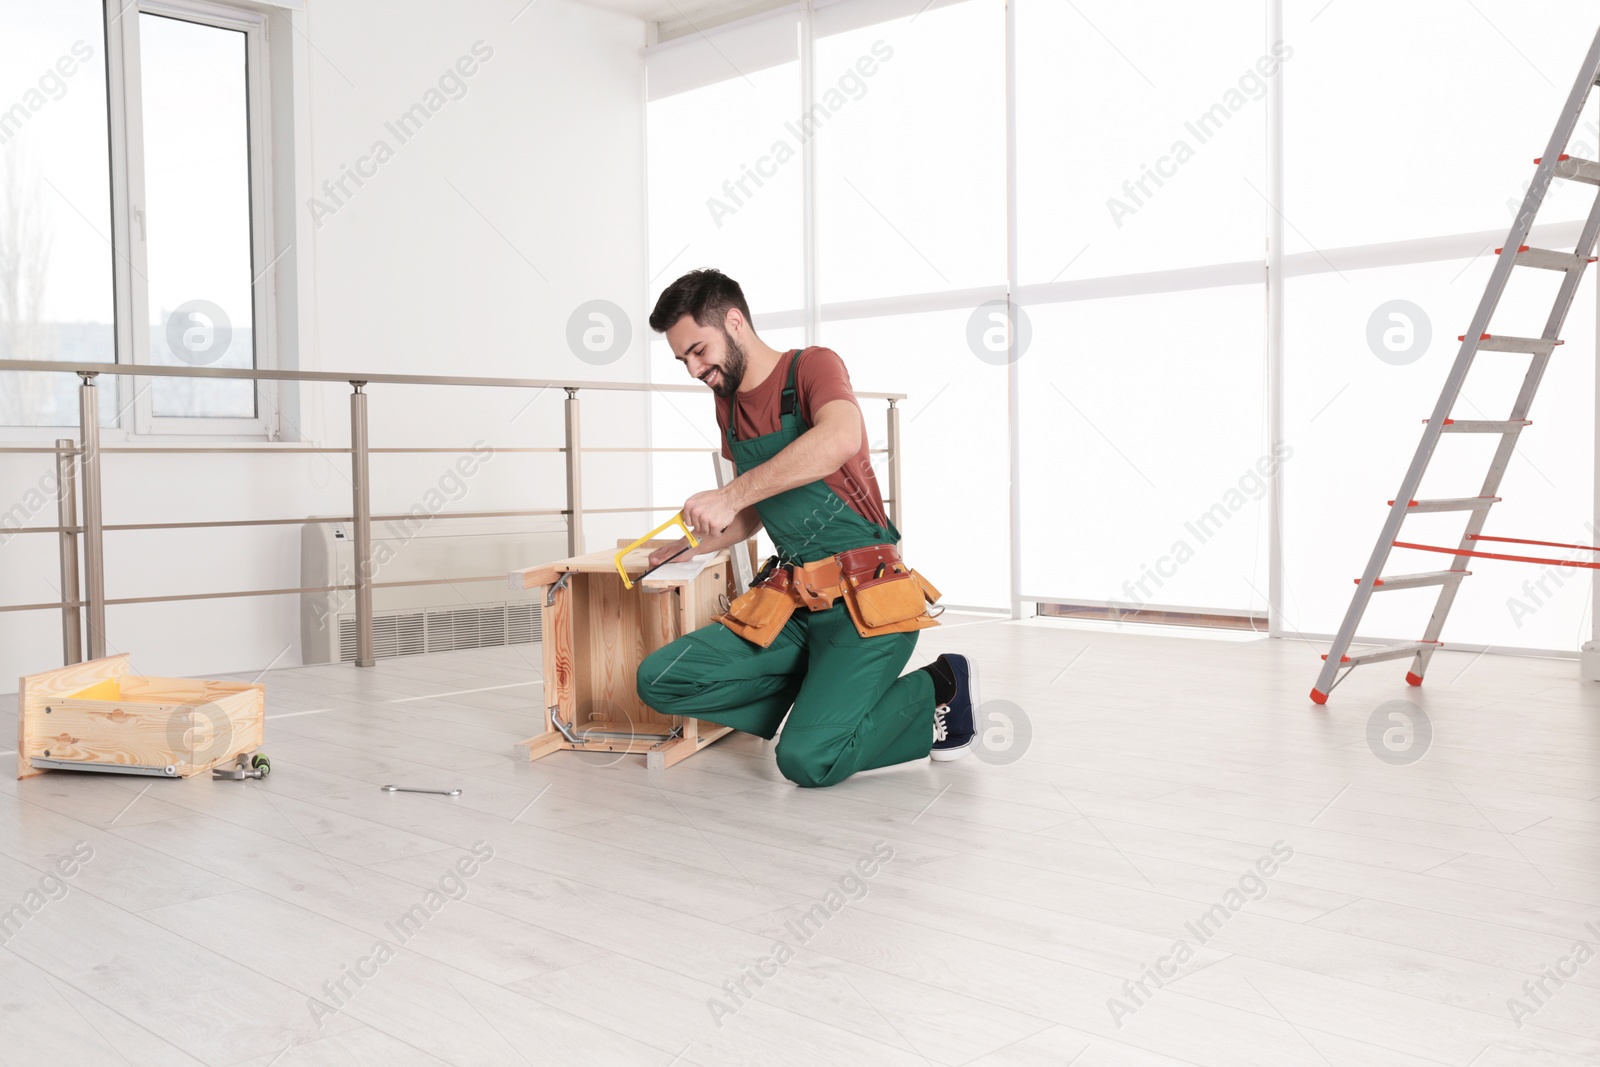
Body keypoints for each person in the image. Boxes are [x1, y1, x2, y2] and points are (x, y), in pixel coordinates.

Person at [634, 269, 981, 788]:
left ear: (734, 322)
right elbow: (751, 512)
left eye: (699, 351)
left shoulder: (812, 367)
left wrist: (730, 493)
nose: (693, 369)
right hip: (792, 603)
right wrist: (682, 548)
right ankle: (825, 696)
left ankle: (939, 686)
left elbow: (840, 437)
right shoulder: (726, 403)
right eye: (683, 359)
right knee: (659, 678)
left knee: (806, 761)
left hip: (866, 603)